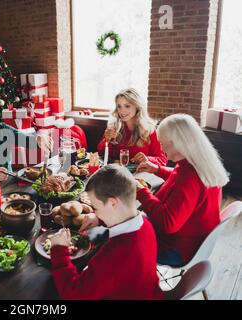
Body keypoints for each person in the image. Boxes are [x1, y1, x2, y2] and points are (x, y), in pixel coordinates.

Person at [49, 164, 163, 300]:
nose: (94, 212)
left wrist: (59, 250)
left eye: (95, 207)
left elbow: (73, 295)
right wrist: (99, 218)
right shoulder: (145, 224)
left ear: (112, 203)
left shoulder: (116, 253)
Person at [136, 114, 229, 267]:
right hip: (196, 242)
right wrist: (158, 169)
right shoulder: (198, 162)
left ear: (178, 143)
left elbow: (168, 223)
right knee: (132, 220)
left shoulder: (190, 177)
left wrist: (141, 192)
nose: (161, 148)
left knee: (122, 232)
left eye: (163, 143)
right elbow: (178, 177)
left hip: (178, 249)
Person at [97, 88, 167, 167]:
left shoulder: (149, 130)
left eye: (127, 106)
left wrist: (147, 159)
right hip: (119, 174)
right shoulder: (114, 126)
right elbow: (101, 154)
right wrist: (106, 140)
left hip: (142, 176)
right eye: (119, 106)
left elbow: (162, 160)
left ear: (137, 106)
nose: (122, 111)